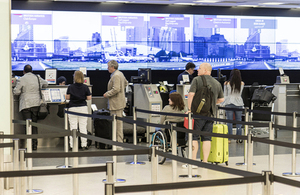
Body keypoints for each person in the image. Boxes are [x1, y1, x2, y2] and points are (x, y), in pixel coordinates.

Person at [187, 63, 224, 165]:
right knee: (207, 138)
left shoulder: (197, 80)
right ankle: (205, 161)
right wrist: (211, 103)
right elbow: (221, 99)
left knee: (194, 137)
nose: (197, 70)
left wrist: (189, 109)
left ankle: (193, 161)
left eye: (199, 68)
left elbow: (191, 94)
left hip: (197, 114)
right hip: (211, 114)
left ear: (205, 70)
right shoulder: (217, 83)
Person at [13, 64, 48, 150]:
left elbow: (16, 92)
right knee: (34, 124)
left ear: (23, 71)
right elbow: (46, 84)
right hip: (36, 103)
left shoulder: (21, 79)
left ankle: (28, 144)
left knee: (27, 125)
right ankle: (35, 144)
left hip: (26, 104)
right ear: (32, 71)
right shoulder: (37, 77)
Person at [103, 60, 128, 143]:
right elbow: (125, 83)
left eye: (108, 66)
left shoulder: (116, 75)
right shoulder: (120, 73)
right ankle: (118, 141)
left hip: (116, 103)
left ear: (113, 67)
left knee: (117, 124)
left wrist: (107, 94)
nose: (107, 68)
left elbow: (116, 89)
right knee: (118, 123)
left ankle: (118, 141)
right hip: (119, 102)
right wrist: (121, 93)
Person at [66, 71, 91, 150]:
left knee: (73, 127)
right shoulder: (85, 87)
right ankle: (84, 145)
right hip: (83, 108)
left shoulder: (70, 87)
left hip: (72, 108)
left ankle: (72, 145)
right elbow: (89, 98)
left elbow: (67, 98)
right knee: (83, 127)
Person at [223, 69, 244, 143]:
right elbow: (239, 94)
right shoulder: (242, 83)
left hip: (229, 103)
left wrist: (222, 103)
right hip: (239, 103)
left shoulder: (226, 83)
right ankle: (239, 138)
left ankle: (229, 138)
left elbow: (225, 95)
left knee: (229, 121)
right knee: (239, 121)